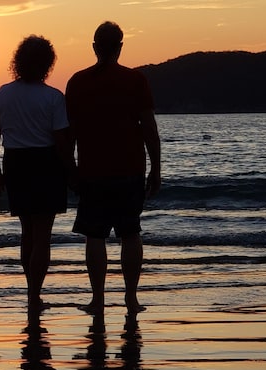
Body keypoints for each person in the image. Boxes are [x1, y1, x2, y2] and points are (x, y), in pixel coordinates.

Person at [66, 21, 162, 315]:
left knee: (95, 236)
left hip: (92, 170)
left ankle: (98, 300)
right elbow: (148, 127)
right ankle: (131, 299)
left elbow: (67, 131)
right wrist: (156, 167)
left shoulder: (78, 82)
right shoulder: (135, 80)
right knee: (130, 233)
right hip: (129, 169)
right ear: (120, 47)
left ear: (94, 47)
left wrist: (70, 167)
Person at [0, 35, 73, 314]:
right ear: (47, 64)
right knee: (42, 234)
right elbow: (61, 142)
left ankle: (31, 291)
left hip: (16, 163)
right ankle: (35, 294)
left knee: (27, 231)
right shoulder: (53, 97)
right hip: (45, 162)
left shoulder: (4, 93)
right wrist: (71, 171)